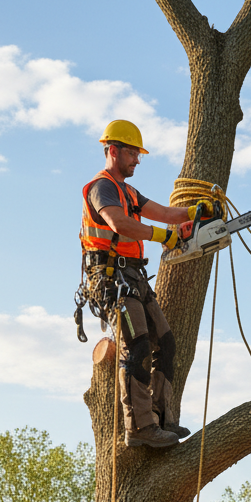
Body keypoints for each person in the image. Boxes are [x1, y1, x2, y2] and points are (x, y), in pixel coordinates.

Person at [80, 119, 214, 447]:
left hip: (134, 277)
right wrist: (163, 237)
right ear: (113, 150)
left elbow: (166, 213)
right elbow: (120, 223)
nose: (137, 160)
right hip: (112, 280)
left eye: (138, 155)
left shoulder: (128, 191)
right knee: (137, 346)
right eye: (131, 154)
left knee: (165, 342)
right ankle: (138, 428)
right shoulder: (102, 187)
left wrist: (196, 211)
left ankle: (158, 418)